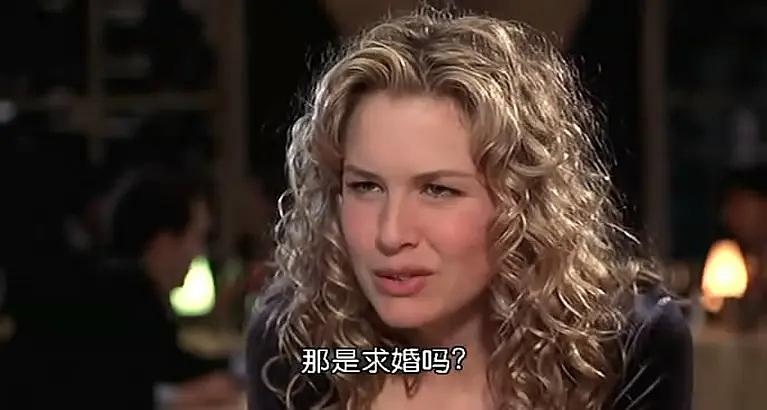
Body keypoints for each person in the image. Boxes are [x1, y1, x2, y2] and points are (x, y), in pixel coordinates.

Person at [247, 7, 692, 410]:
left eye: (437, 190)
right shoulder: (301, 349)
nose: (390, 234)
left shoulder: (624, 345)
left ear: (521, 202)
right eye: (366, 186)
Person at [56, 166, 242, 409]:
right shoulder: (114, 299)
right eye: (197, 237)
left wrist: (243, 365)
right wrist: (176, 399)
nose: (199, 253)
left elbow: (170, 364)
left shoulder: (129, 291)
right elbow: (91, 388)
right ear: (163, 243)